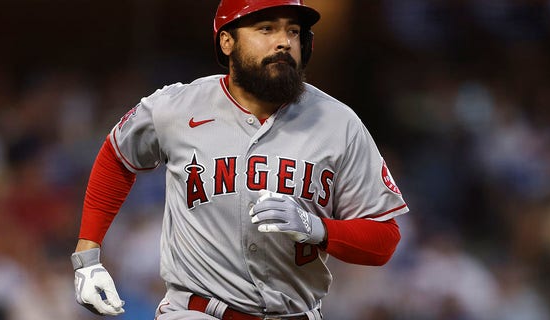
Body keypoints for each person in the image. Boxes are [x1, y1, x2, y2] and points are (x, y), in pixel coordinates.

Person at [70, 0, 409, 319]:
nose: (283, 42)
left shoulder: (339, 123)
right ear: (227, 41)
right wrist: (88, 257)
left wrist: (317, 228)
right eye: (266, 29)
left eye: (292, 31)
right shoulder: (177, 107)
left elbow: (384, 239)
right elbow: (117, 156)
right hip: (198, 310)